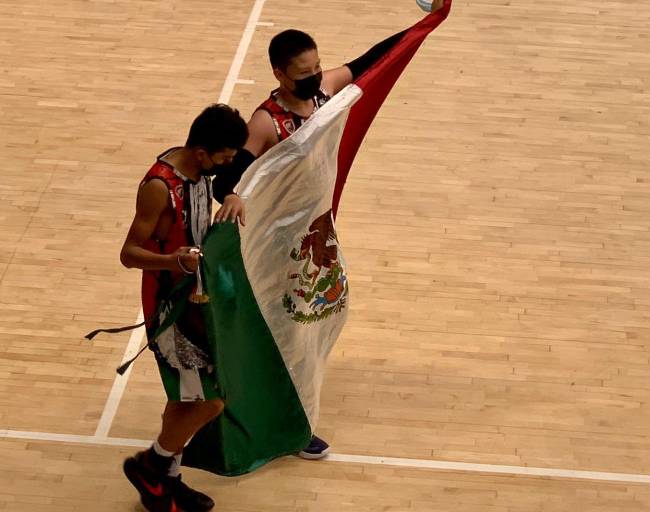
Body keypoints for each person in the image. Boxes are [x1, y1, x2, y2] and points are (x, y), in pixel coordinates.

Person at [210, 0, 445, 460]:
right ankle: (289, 421)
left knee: (319, 319)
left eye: (317, 66)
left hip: (316, 227)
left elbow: (371, 62)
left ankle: (290, 402)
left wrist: (424, 24)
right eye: (304, 72)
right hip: (276, 245)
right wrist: (234, 194)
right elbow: (228, 181)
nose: (316, 76)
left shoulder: (326, 89)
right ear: (280, 74)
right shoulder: (265, 123)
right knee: (289, 326)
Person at [120, 104, 248, 512]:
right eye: (224, 157)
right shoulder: (159, 186)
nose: (227, 164)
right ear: (200, 152)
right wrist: (174, 260)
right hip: (168, 308)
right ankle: (151, 466)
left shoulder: (199, 171)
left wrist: (232, 193)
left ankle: (167, 480)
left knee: (184, 399)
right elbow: (128, 254)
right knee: (208, 402)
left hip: (197, 299)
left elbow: (228, 180)